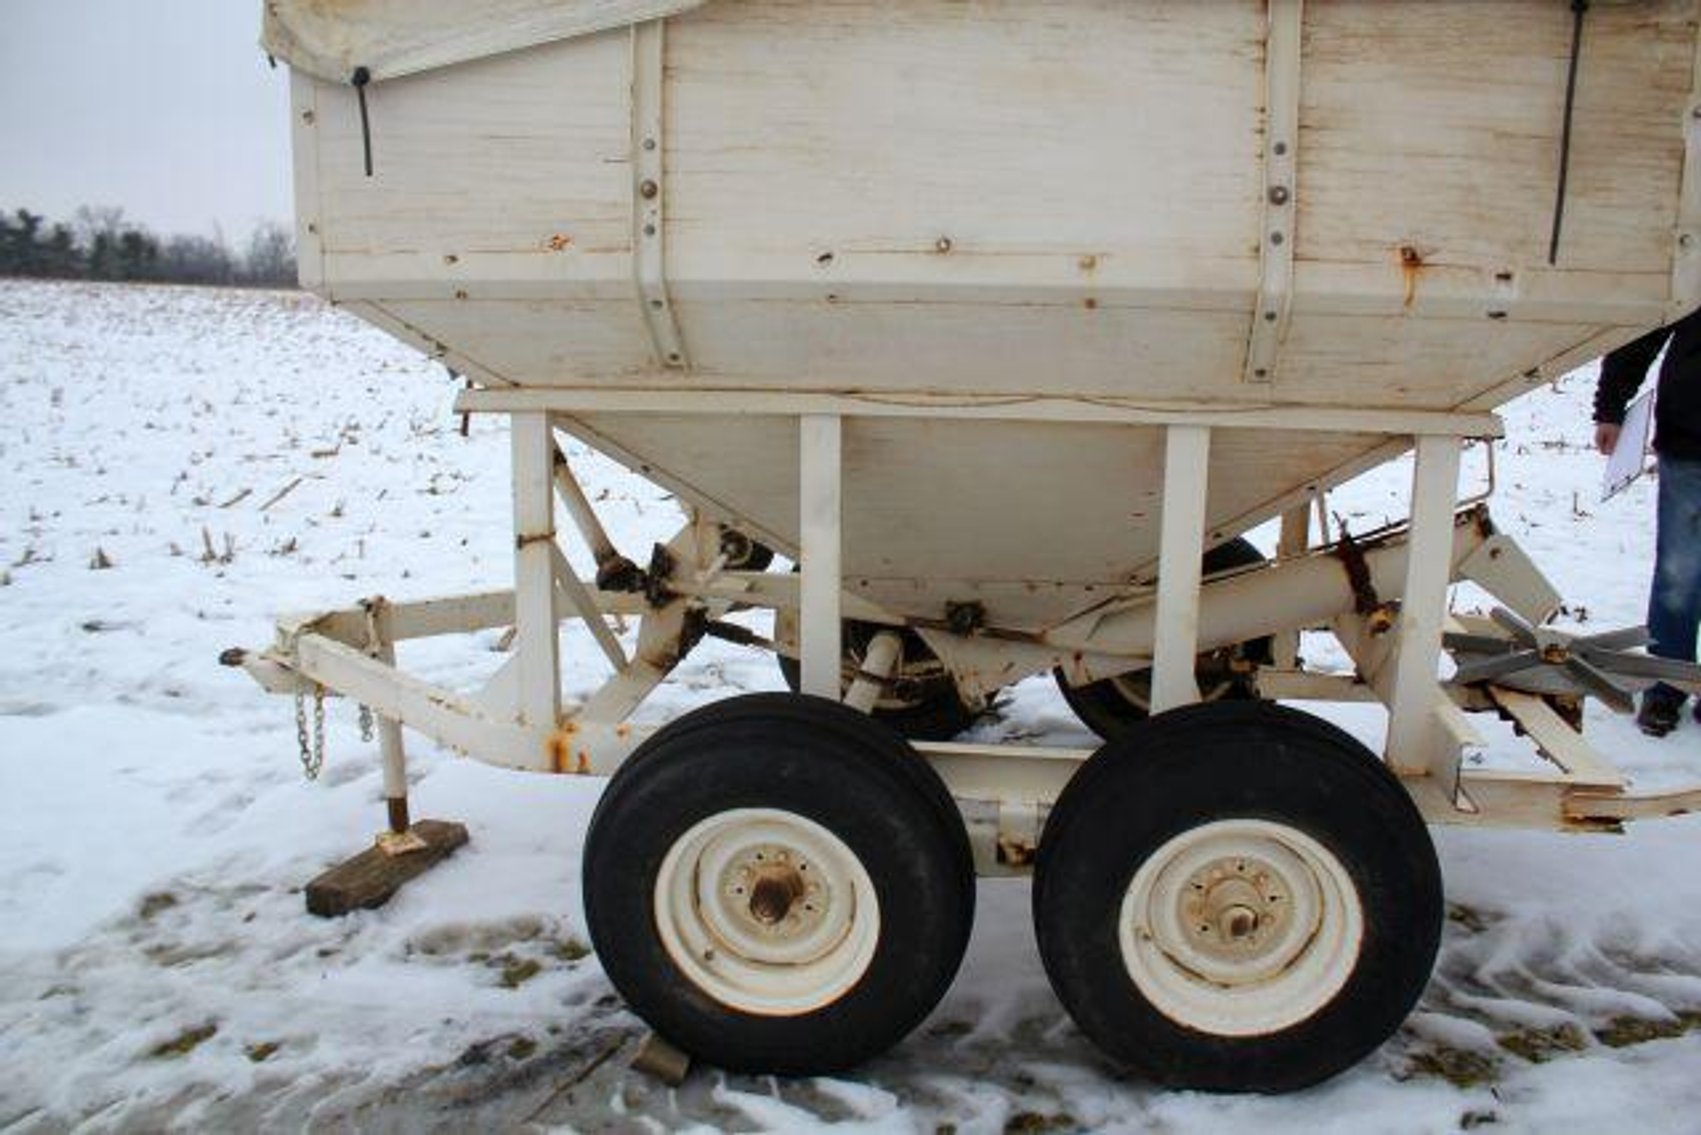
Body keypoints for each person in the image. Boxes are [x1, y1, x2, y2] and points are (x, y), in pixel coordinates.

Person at [1594, 306, 1701, 736]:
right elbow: (1643, 330)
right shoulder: (1693, 257)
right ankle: (1668, 685)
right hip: (1691, 444)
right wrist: (1610, 408)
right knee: (1680, 573)